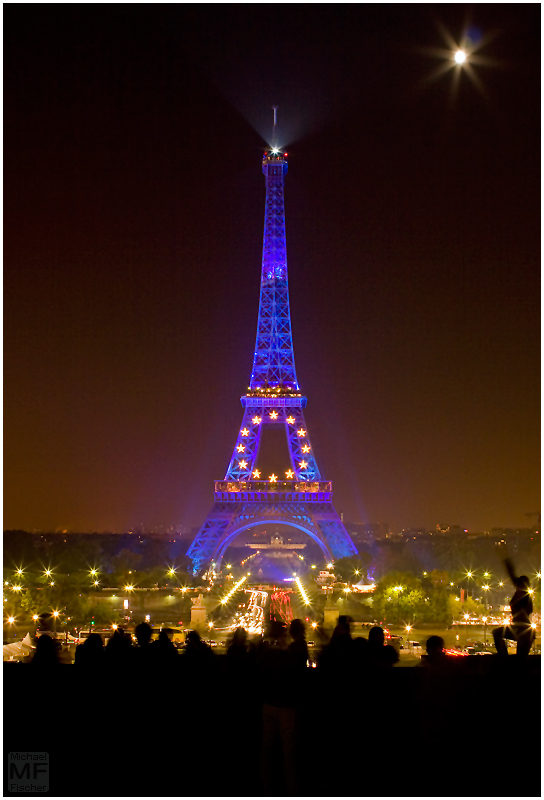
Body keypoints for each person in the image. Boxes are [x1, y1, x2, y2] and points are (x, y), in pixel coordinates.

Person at [493, 557, 535, 657]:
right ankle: (504, 657)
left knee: (497, 633)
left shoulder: (523, 595)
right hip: (524, 631)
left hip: (521, 630)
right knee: (520, 660)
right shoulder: (524, 595)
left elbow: (512, 576)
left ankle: (503, 657)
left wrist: (506, 560)